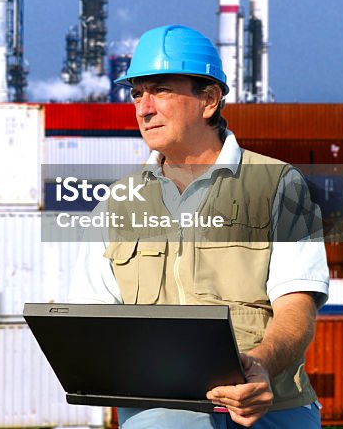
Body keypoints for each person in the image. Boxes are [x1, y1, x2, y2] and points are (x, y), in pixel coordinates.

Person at [68, 24, 329, 428]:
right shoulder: (116, 205)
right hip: (163, 414)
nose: (143, 107)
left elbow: (297, 306)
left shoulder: (279, 185)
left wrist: (258, 367)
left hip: (272, 411)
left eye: (160, 90)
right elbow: (90, 324)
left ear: (209, 99)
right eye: (137, 93)